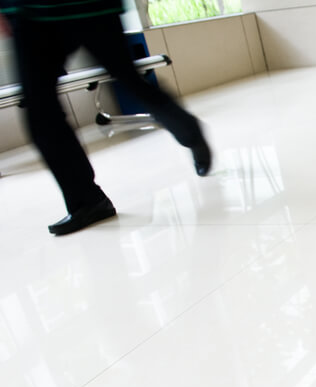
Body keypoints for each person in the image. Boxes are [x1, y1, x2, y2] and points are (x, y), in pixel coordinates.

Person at [0, 0, 211, 235]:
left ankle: (190, 132)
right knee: (39, 107)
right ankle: (87, 201)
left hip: (91, 7)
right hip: (29, 13)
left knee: (129, 80)